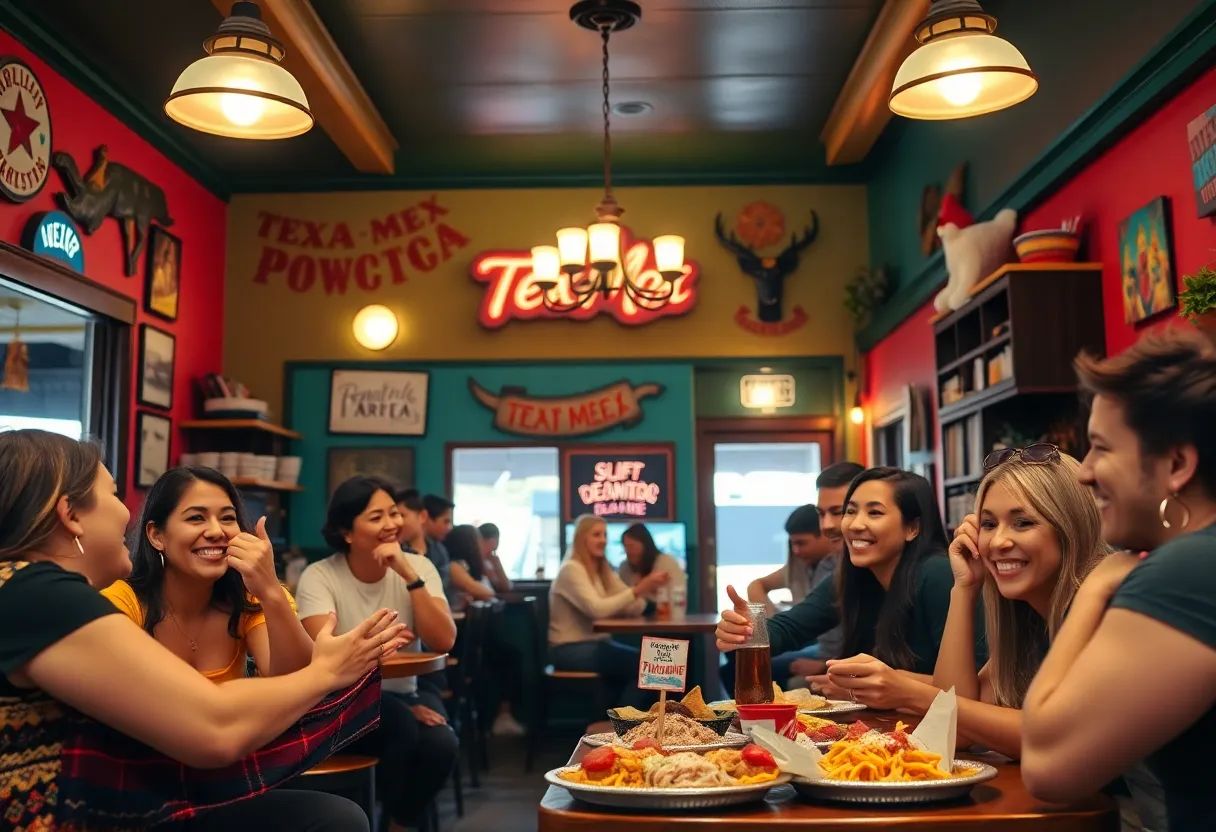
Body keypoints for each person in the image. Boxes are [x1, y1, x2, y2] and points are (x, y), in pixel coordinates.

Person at [0, 430, 402, 831]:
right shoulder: (37, 594)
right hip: (110, 803)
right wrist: (327, 671)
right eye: (115, 494)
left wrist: (273, 596)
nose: (126, 514)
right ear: (71, 515)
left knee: (335, 816)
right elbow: (215, 729)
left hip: (130, 795)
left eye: (227, 517)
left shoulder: (26, 589)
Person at [1021, 329, 1216, 831]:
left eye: (1102, 449)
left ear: (1176, 464)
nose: (1084, 473)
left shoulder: (1187, 571)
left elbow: (1048, 766)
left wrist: (1098, 585)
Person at [822, 449, 1106, 761]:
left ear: (1071, 526)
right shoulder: (1025, 615)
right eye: (988, 524)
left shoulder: (1103, 604)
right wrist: (964, 587)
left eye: (1023, 522)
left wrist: (910, 692)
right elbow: (955, 732)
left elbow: (1051, 737)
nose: (998, 542)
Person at [716, 468, 986, 694]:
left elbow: (968, 688)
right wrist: (746, 629)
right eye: (851, 511)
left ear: (912, 528)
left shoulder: (939, 573)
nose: (855, 524)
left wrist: (862, 686)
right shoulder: (854, 574)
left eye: (874, 513)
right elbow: (791, 627)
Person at [297, 476, 460, 830]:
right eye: (376, 517)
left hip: (407, 691)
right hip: (341, 701)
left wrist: (408, 573)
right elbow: (326, 655)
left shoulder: (420, 568)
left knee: (442, 744)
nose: (392, 525)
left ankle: (396, 824)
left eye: (394, 514)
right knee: (400, 723)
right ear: (347, 531)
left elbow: (444, 640)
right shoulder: (320, 577)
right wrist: (379, 648)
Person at [102, 466, 315, 681]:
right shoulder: (122, 603)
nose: (216, 531)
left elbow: (298, 681)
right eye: (196, 518)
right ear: (157, 536)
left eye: (227, 518)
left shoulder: (252, 596)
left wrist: (270, 591)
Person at [549, 514, 669, 713]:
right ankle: (620, 726)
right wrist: (640, 588)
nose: (603, 540)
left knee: (651, 664)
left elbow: (633, 605)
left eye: (605, 535)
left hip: (596, 644)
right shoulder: (571, 569)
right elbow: (597, 609)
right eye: (596, 534)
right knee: (649, 667)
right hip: (568, 649)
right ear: (582, 538)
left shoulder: (600, 570)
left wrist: (637, 593)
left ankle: (618, 723)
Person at [445, 524, 527, 736]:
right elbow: (485, 593)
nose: (482, 546)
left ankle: (499, 718)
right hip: (457, 639)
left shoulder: (474, 567)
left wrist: (494, 564)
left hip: (474, 638)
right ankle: (493, 720)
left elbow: (501, 588)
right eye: (477, 542)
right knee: (506, 658)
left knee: (509, 657)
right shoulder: (455, 566)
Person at [395, 488, 453, 602]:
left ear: (422, 516)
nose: (396, 522)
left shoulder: (439, 551)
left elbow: (442, 592)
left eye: (402, 515)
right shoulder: (394, 553)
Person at [617, 522, 686, 602]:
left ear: (645, 545)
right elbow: (621, 601)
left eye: (632, 546)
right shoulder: (624, 568)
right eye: (625, 546)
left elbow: (677, 597)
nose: (628, 551)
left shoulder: (666, 562)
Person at [477, 522, 513, 592]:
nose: (490, 554)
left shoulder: (493, 561)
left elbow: (507, 587)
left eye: (493, 550)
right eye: (487, 549)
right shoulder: (471, 562)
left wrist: (498, 567)